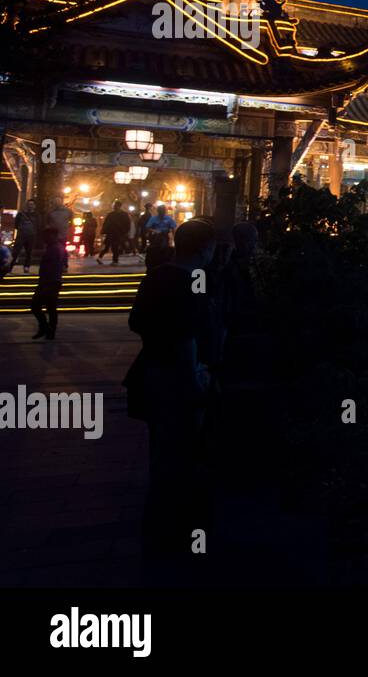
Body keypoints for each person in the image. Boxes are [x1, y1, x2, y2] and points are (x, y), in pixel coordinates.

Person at [123, 219, 218, 570]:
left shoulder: (156, 275)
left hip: (149, 373)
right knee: (183, 457)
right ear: (205, 248)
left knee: (161, 458)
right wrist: (196, 378)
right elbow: (188, 336)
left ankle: (157, 531)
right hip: (179, 379)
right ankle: (178, 535)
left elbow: (136, 321)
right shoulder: (194, 281)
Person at [30, 227, 66, 340]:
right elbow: (64, 265)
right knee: (51, 307)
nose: (45, 239)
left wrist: (44, 281)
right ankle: (50, 331)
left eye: (47, 236)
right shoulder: (59, 248)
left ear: (53, 236)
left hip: (49, 281)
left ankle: (45, 327)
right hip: (53, 280)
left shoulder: (54, 249)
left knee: (35, 305)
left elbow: (51, 267)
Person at [98, 201, 133, 265]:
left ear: (118, 206)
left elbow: (127, 224)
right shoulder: (121, 214)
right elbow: (106, 223)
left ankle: (102, 258)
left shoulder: (115, 214)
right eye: (114, 205)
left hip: (115, 233)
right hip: (115, 233)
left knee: (111, 246)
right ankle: (114, 260)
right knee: (112, 246)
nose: (114, 207)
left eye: (115, 205)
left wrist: (125, 232)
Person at [143, 204, 178, 268]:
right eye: (160, 210)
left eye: (163, 210)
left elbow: (173, 227)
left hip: (165, 235)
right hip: (156, 235)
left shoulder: (169, 218)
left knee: (165, 247)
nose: (162, 212)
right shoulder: (153, 218)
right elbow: (147, 227)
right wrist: (154, 230)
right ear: (158, 211)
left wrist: (174, 237)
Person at [13, 200, 38, 273]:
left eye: (32, 204)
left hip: (31, 236)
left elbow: (39, 224)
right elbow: (16, 224)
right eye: (29, 204)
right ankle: (10, 266)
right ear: (27, 205)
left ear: (34, 206)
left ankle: (26, 267)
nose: (30, 205)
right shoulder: (20, 214)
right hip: (21, 236)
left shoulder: (36, 215)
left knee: (29, 252)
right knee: (15, 252)